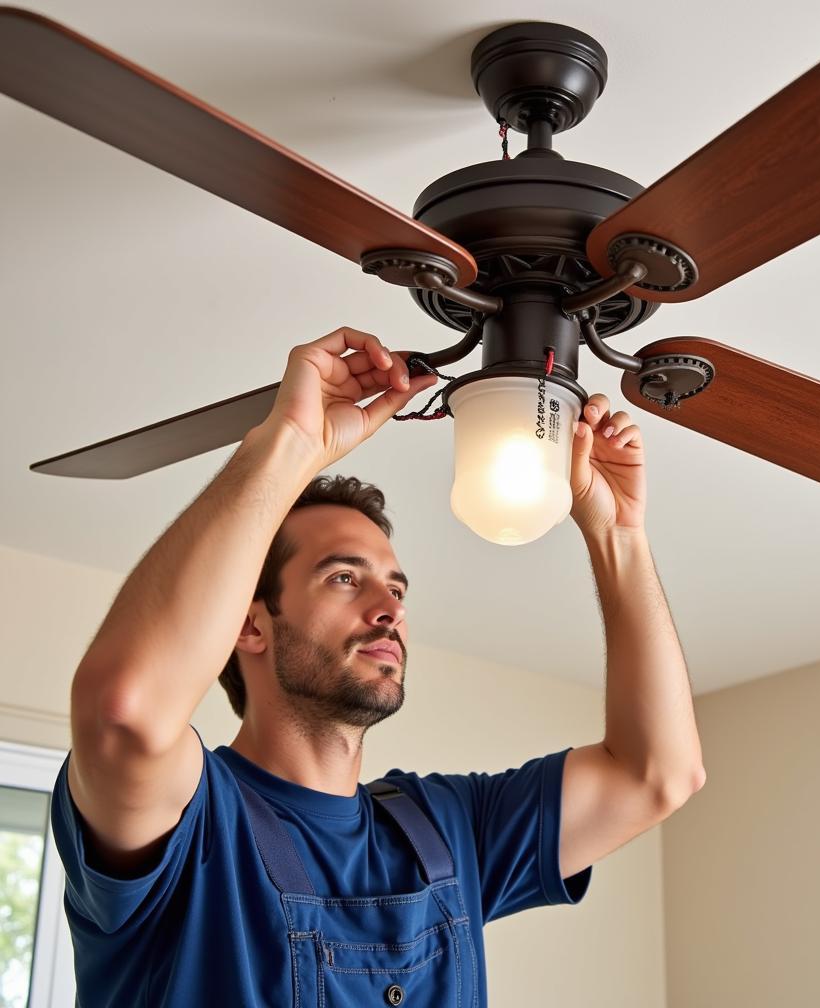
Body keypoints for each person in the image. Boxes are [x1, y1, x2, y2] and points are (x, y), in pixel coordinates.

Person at [50, 326, 706, 1006]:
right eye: (343, 578)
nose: (388, 609)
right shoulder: (194, 822)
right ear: (248, 623)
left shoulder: (446, 827)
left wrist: (617, 532)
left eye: (395, 588)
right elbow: (125, 711)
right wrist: (290, 445)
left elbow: (658, 772)